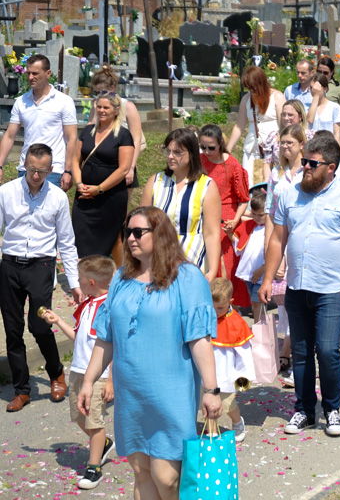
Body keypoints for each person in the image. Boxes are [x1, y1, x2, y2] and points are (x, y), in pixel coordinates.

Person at [77, 206, 221, 499]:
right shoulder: (120, 278)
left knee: (166, 477)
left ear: (160, 234)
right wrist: (89, 381)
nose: (131, 238)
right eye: (127, 232)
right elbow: (106, 338)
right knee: (141, 471)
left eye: (138, 232)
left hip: (171, 393)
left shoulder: (187, 278)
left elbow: (199, 339)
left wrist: (211, 388)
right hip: (132, 394)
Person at [260, 133, 340, 437]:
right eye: (303, 161)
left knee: (327, 349)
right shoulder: (289, 194)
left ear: (331, 167)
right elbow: (277, 238)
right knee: (301, 350)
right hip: (297, 286)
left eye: (312, 163)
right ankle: (304, 410)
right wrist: (268, 278)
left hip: (332, 289)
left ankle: (332, 408)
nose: (304, 167)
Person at [1, 143, 84, 413]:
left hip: (41, 265)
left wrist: (74, 283)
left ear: (51, 170)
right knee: (12, 330)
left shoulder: (58, 197)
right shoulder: (6, 192)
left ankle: (56, 372)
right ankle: (22, 389)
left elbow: (67, 242)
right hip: (11, 264)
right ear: (24, 164)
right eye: (32, 169)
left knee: (39, 326)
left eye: (42, 171)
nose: (36, 175)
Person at [40, 256, 116, 489]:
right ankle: (102, 443)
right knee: (78, 415)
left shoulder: (108, 308)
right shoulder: (87, 305)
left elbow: (115, 347)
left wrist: (111, 380)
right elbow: (78, 338)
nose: (77, 282)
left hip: (99, 375)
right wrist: (58, 321)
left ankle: (94, 469)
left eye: (80, 279)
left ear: (91, 282)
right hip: (78, 370)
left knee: (93, 421)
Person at [142, 128, 222, 280]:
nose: (171, 156)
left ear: (191, 154)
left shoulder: (206, 185)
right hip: (158, 258)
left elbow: (211, 233)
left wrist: (212, 270)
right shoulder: (155, 182)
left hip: (192, 259)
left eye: (177, 152)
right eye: (168, 151)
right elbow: (141, 225)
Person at [71, 92, 134, 261]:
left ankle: (118, 277)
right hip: (84, 194)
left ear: (116, 110)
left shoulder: (123, 135)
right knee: (81, 235)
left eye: (106, 107)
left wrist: (99, 189)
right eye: (99, 106)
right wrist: (78, 183)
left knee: (113, 238)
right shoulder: (87, 131)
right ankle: (85, 276)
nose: (101, 110)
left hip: (110, 196)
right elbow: (75, 160)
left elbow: (123, 169)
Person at [0, 54, 77, 190]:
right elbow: (10, 135)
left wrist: (68, 170)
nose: (30, 77)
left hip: (52, 170)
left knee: (48, 210)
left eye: (35, 73)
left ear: (48, 73)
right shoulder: (21, 101)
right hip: (26, 168)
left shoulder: (64, 101)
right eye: (28, 73)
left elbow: (71, 138)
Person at [199, 124, 251, 307]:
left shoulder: (232, 165)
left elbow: (244, 199)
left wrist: (235, 220)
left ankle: (227, 305)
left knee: (225, 266)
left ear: (220, 144)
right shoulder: (199, 160)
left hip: (225, 218)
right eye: (203, 147)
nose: (206, 151)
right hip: (202, 215)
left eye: (211, 148)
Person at [208, 277, 253, 443]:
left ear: (230, 301)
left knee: (228, 404)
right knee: (207, 403)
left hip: (226, 372)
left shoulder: (236, 323)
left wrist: (244, 379)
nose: (216, 312)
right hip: (207, 371)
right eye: (213, 308)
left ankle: (237, 422)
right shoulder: (207, 316)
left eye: (220, 308)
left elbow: (245, 355)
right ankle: (211, 432)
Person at [227, 65, 286, 185]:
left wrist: (279, 143)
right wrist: (228, 149)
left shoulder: (277, 97)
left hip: (273, 150)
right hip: (252, 149)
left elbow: (284, 126)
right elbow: (239, 126)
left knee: (270, 185)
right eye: (249, 88)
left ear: (261, 83)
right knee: (249, 185)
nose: (252, 91)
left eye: (253, 88)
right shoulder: (246, 99)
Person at [90, 67, 145, 188]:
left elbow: (136, 140)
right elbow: (90, 132)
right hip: (101, 163)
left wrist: (131, 167)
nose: (100, 96)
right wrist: (95, 112)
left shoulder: (128, 106)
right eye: (97, 92)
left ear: (113, 88)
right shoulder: (96, 106)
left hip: (123, 162)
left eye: (103, 92)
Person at [234, 190, 269, 320]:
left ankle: (259, 330)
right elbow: (240, 244)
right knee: (255, 303)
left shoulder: (271, 229)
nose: (255, 217)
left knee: (258, 303)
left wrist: (262, 270)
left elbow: (274, 253)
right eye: (253, 214)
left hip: (262, 273)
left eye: (260, 215)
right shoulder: (251, 226)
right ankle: (259, 329)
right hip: (250, 273)